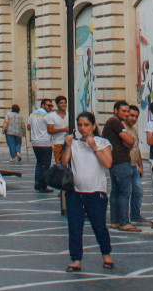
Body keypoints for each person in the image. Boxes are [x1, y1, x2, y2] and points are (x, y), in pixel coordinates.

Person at [59, 110, 116, 272]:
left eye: (86, 125)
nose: (83, 128)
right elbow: (64, 162)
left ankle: (106, 254)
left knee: (99, 226)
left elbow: (108, 163)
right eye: (80, 125)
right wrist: (68, 146)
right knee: (75, 227)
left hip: (96, 192)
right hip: (75, 193)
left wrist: (94, 146)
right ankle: (76, 259)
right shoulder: (74, 143)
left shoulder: (102, 142)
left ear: (93, 126)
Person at [103, 102, 141, 232]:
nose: (125, 114)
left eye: (127, 111)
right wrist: (129, 143)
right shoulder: (115, 122)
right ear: (115, 110)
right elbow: (130, 140)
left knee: (116, 191)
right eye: (123, 111)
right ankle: (124, 222)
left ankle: (115, 221)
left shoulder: (111, 122)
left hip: (113, 160)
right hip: (121, 161)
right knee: (125, 192)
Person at [31, 98, 56, 192]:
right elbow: (51, 129)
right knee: (45, 165)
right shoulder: (48, 116)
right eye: (48, 105)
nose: (50, 107)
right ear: (42, 105)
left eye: (51, 106)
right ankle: (43, 185)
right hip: (45, 143)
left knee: (39, 163)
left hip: (35, 142)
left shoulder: (32, 114)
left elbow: (29, 126)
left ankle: (37, 183)